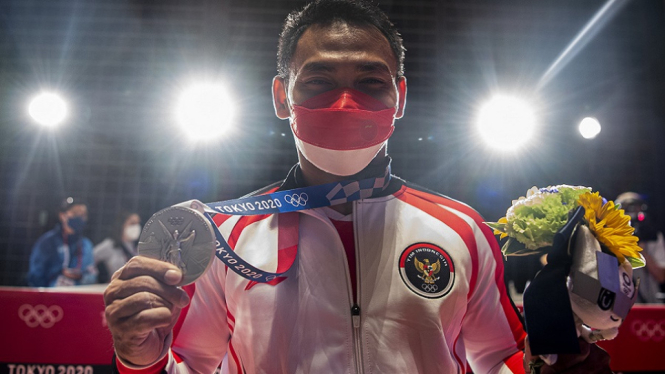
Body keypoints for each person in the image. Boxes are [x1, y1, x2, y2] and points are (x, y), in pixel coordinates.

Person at [104, 1, 610, 373]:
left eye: (371, 82)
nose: (346, 103)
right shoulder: (225, 235)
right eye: (319, 81)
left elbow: (497, 360)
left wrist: (554, 365)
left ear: (401, 97)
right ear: (282, 97)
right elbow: (193, 365)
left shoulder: (462, 229)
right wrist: (143, 356)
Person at [27, 197, 97, 287]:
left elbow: (92, 275)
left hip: (78, 297)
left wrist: (80, 277)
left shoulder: (86, 245)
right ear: (62, 215)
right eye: (75, 213)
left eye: (83, 215)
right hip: (51, 297)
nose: (79, 218)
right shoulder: (47, 242)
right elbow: (35, 275)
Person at [616, 192, 665, 303]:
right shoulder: (609, 236)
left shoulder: (653, 237)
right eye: (627, 208)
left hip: (650, 303)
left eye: (635, 208)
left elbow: (661, 276)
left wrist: (640, 249)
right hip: (619, 305)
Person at [94, 211, 142, 283]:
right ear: (122, 224)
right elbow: (91, 257)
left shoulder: (139, 247)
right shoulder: (110, 245)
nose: (136, 227)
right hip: (116, 287)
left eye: (138, 224)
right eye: (132, 223)